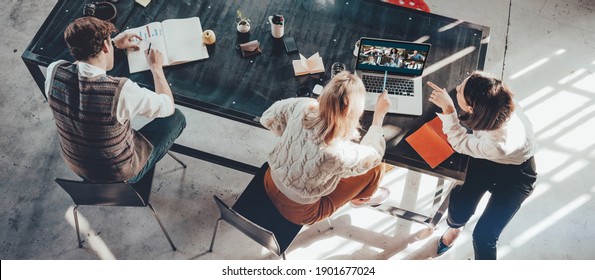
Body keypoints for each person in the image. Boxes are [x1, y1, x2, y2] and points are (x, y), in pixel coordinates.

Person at [45, 17, 186, 183]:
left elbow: (79, 63)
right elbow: (167, 106)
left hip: (76, 164)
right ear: (105, 47)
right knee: (176, 117)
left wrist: (112, 41)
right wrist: (156, 68)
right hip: (120, 173)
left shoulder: (54, 70)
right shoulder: (120, 91)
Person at [427, 71, 538, 260]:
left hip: (518, 174)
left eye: (460, 90)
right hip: (489, 157)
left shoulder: (499, 144)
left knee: (484, 237)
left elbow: (460, 142)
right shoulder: (500, 101)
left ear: (471, 109)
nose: (457, 89)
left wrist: (449, 111)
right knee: (460, 209)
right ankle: (455, 228)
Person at [260, 71, 392, 225]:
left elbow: (268, 118)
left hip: (269, 181)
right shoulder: (339, 152)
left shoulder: (303, 105)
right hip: (300, 213)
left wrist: (296, 140)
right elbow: (374, 156)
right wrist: (379, 116)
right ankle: (362, 198)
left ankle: (360, 195)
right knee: (376, 169)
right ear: (353, 112)